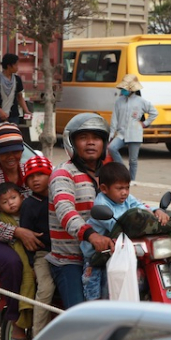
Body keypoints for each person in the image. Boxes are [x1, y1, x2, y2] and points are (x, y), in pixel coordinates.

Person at [0, 123, 43, 340]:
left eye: (16, 150)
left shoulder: (31, 172)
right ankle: (15, 323)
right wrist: (17, 232)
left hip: (31, 232)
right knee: (14, 264)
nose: (12, 156)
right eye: (5, 152)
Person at [48, 113, 115, 308]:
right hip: (70, 259)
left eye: (96, 138)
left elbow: (127, 200)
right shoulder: (63, 173)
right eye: (83, 138)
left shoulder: (109, 173)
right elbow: (64, 210)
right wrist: (91, 235)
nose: (91, 143)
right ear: (72, 142)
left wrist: (153, 212)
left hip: (104, 254)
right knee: (80, 314)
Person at [80, 162, 169, 301]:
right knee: (94, 287)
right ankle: (94, 310)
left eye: (127, 187)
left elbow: (140, 207)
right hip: (97, 254)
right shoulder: (101, 204)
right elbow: (117, 226)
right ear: (104, 188)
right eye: (120, 188)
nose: (125, 192)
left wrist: (156, 211)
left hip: (119, 249)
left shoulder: (127, 199)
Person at [0, 181, 35, 340]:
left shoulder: (29, 211)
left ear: (22, 197)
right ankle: (20, 317)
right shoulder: (4, 220)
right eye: (5, 201)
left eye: (13, 198)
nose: (11, 203)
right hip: (19, 252)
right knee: (24, 272)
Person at [19, 155, 55, 336]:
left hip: (66, 250)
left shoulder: (59, 197)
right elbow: (27, 239)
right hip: (42, 254)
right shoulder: (29, 205)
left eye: (40, 174)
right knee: (46, 289)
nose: (35, 179)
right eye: (31, 177)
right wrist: (32, 263)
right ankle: (38, 334)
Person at [108, 74, 158, 181]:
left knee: (133, 160)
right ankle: (123, 170)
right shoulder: (119, 101)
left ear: (131, 89)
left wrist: (144, 123)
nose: (123, 90)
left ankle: (132, 180)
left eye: (125, 88)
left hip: (135, 133)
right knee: (112, 148)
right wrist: (112, 133)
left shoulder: (141, 101)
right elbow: (114, 118)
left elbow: (154, 112)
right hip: (121, 133)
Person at [0, 54, 31, 124]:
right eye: (16, 65)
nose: (17, 67)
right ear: (9, 66)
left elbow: (20, 97)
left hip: (14, 117)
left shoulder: (17, 80)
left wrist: (26, 111)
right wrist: (0, 111)